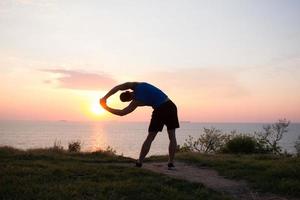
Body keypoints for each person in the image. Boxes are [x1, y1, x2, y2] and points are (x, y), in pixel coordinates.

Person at [100, 82, 179, 169]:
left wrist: (106, 108)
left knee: (150, 138)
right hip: (170, 105)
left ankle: (139, 162)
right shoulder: (136, 85)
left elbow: (122, 113)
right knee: (172, 136)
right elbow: (118, 87)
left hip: (160, 109)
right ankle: (171, 163)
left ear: (128, 100)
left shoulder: (136, 102)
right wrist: (105, 97)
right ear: (127, 91)